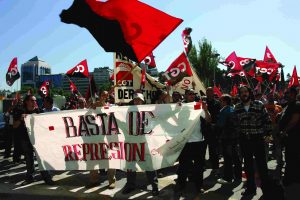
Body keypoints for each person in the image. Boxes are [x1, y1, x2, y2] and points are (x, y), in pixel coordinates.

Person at [233, 86, 272, 197]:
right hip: (244, 140)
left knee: (262, 165)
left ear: (249, 93)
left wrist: (268, 134)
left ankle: (267, 189)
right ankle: (251, 188)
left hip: (258, 139)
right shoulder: (237, 108)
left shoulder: (259, 104)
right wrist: (238, 138)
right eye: (241, 92)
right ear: (239, 95)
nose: (244, 94)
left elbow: (267, 120)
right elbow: (235, 124)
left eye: (245, 91)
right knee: (248, 166)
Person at [122, 92, 159, 196]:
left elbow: (161, 114)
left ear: (143, 101)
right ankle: (130, 185)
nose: (137, 101)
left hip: (144, 141)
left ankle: (154, 185)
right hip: (131, 141)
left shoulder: (148, 111)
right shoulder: (127, 110)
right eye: (135, 100)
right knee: (130, 164)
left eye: (139, 100)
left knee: (149, 164)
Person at [175, 88, 211, 194]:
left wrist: (205, 110)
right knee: (183, 165)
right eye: (190, 94)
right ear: (185, 95)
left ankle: (198, 185)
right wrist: (176, 108)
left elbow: (209, 120)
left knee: (199, 166)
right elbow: (173, 119)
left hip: (199, 141)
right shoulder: (180, 106)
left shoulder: (197, 106)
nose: (192, 95)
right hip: (185, 141)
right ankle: (181, 184)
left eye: (193, 94)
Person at [13, 95, 54, 185]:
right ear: (26, 101)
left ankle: (47, 178)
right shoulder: (20, 111)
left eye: (35, 100)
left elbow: (45, 124)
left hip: (38, 139)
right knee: (29, 159)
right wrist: (21, 118)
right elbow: (14, 125)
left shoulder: (39, 111)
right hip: (25, 139)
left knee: (41, 158)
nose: (34, 102)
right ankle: (29, 177)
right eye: (32, 100)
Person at [217, 94, 242, 184]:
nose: (219, 102)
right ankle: (238, 176)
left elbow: (220, 125)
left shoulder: (224, 111)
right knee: (235, 157)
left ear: (225, 101)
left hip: (227, 138)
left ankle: (228, 177)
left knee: (228, 158)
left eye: (220, 101)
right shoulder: (232, 109)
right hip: (234, 138)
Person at [279, 87, 300, 186]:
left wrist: (284, 131)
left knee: (292, 158)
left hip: (295, 138)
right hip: (289, 138)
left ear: (294, 94)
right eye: (286, 93)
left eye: (288, 93)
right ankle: (293, 177)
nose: (286, 95)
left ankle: (290, 179)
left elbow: (294, 121)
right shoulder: (288, 105)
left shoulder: (297, 104)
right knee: (290, 157)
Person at [205, 87, 221, 173]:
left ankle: (215, 167)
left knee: (213, 149)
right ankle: (203, 166)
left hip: (213, 128)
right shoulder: (202, 102)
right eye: (207, 91)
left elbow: (219, 114)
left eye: (210, 91)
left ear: (213, 92)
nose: (209, 92)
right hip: (203, 128)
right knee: (202, 149)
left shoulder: (217, 103)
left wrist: (216, 124)